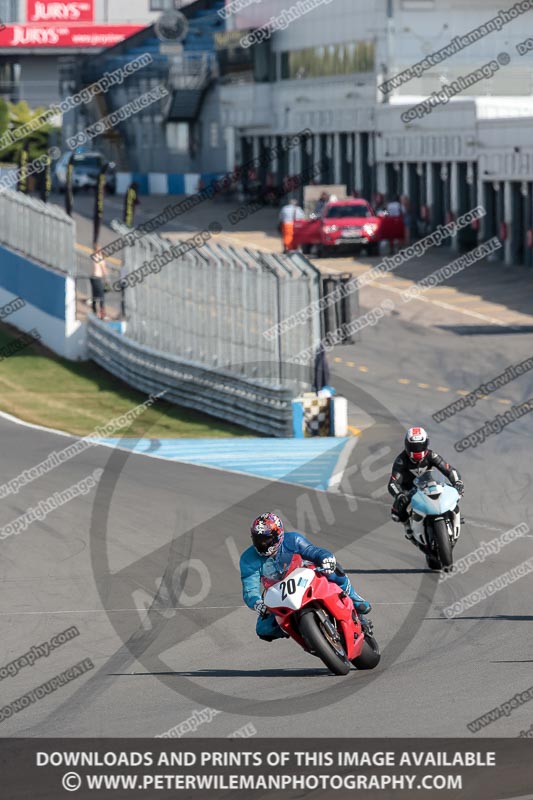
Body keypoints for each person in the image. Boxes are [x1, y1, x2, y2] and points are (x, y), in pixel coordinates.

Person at [240, 513, 372, 642]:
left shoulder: (293, 540)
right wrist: (257, 603)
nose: (262, 544)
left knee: (334, 570)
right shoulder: (247, 559)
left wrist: (326, 559)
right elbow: (249, 587)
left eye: (266, 539)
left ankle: (355, 599)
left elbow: (313, 551)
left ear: (278, 534)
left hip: (304, 576)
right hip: (277, 592)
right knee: (263, 629)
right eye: (258, 539)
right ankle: (296, 630)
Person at [388, 427, 464, 548]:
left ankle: (454, 517)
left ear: (426, 444)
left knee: (453, 492)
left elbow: (449, 470)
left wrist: (457, 482)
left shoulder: (431, 455)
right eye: (414, 447)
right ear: (407, 445)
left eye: (420, 446)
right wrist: (400, 494)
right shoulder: (401, 461)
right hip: (409, 490)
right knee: (397, 512)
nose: (417, 450)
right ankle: (408, 528)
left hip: (428, 485)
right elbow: (393, 483)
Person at [90, 253, 109, 320]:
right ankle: (102, 314)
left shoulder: (94, 258)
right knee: (101, 297)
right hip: (97, 279)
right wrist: (106, 280)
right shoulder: (100, 258)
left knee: (95, 296)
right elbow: (104, 270)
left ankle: (95, 312)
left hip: (93, 278)